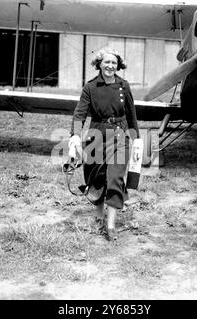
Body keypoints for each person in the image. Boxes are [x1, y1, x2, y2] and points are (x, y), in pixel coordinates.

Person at [69, 48, 139, 241]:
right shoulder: (90, 87)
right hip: (96, 135)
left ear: (118, 66)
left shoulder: (124, 85)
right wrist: (75, 135)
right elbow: (79, 114)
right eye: (107, 62)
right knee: (96, 178)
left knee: (115, 177)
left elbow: (132, 115)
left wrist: (136, 138)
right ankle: (99, 217)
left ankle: (111, 225)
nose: (110, 66)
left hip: (120, 135)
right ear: (99, 63)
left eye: (114, 63)